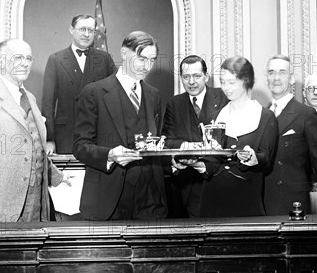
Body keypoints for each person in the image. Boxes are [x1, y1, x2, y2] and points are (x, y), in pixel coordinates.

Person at [0, 39, 64, 223]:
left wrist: (57, 177)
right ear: (1, 61)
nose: (24, 63)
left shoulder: (30, 98)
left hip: (36, 204)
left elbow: (33, 145)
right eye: (17, 57)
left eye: (28, 58)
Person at [73, 31, 167, 220]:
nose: (147, 67)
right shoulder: (93, 92)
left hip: (151, 200)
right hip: (108, 200)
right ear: (124, 53)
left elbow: (158, 141)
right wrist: (109, 155)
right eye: (141, 59)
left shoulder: (154, 95)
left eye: (152, 60)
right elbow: (80, 146)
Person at [195, 56, 277, 218]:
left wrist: (254, 159)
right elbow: (211, 163)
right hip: (213, 199)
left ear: (246, 81)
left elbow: (266, 159)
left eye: (231, 82)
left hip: (246, 200)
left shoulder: (265, 117)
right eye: (222, 82)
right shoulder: (214, 116)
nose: (226, 87)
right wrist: (197, 164)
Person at [263, 55, 317, 215]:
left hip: (292, 203)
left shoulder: (306, 114)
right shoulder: (260, 114)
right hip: (262, 203)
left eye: (282, 72)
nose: (276, 78)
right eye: (271, 72)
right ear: (266, 79)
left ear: (292, 79)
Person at [162, 55, 228, 217]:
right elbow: (166, 141)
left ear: (206, 76)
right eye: (186, 77)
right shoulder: (174, 104)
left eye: (197, 76)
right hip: (187, 186)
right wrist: (185, 145)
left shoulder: (223, 98)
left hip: (219, 182)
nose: (191, 82)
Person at [42, 14, 116, 154]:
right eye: (82, 29)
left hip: (98, 134)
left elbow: (116, 96)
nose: (87, 34)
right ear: (71, 29)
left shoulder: (105, 59)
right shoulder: (56, 60)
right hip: (65, 134)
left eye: (91, 30)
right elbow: (47, 104)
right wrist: (49, 139)